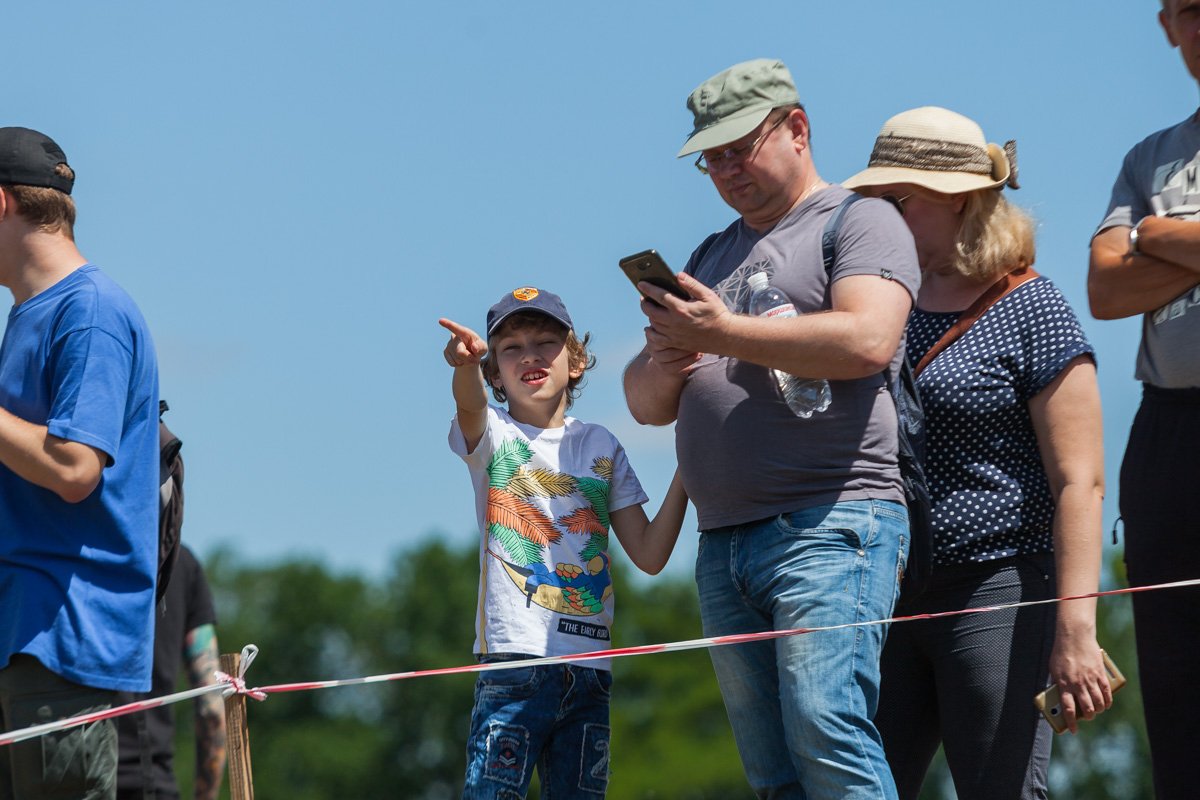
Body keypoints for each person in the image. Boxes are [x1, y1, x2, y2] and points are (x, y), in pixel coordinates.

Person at [623, 59, 920, 799]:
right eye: (711, 158)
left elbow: (867, 341)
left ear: (797, 128)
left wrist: (723, 333)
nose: (724, 170)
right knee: (772, 771)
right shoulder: (709, 254)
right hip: (725, 543)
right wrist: (668, 354)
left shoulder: (862, 219)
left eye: (738, 148)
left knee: (829, 732)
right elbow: (644, 402)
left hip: (831, 520)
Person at [844, 106, 1111, 799]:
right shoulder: (876, 306)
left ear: (959, 199)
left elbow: (1080, 481)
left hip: (999, 590)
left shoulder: (1033, 308)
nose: (877, 216)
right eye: (870, 202)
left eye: (896, 200)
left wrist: (1076, 631)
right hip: (885, 589)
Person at [440, 286, 688, 799]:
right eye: (510, 348)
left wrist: (689, 468)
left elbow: (650, 553)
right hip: (516, 663)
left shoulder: (601, 444)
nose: (529, 354)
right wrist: (464, 368)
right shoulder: (495, 434)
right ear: (494, 373)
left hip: (591, 669)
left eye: (545, 342)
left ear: (574, 361)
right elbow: (469, 407)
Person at [0, 127, 160, 799]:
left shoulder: (87, 311)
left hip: (63, 633)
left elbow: (73, 470)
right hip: (29, 629)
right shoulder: (34, 313)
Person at [1087, 3, 1200, 796]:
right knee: (1175, 669)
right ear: (1166, 25)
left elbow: (1131, 261)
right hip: (1170, 432)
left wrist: (1158, 237)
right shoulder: (1150, 158)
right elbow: (1103, 287)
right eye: (1191, 10)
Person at [116, 546, 226, 800]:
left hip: (72, 773)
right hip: (151, 780)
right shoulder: (183, 563)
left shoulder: (80, 549)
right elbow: (212, 709)